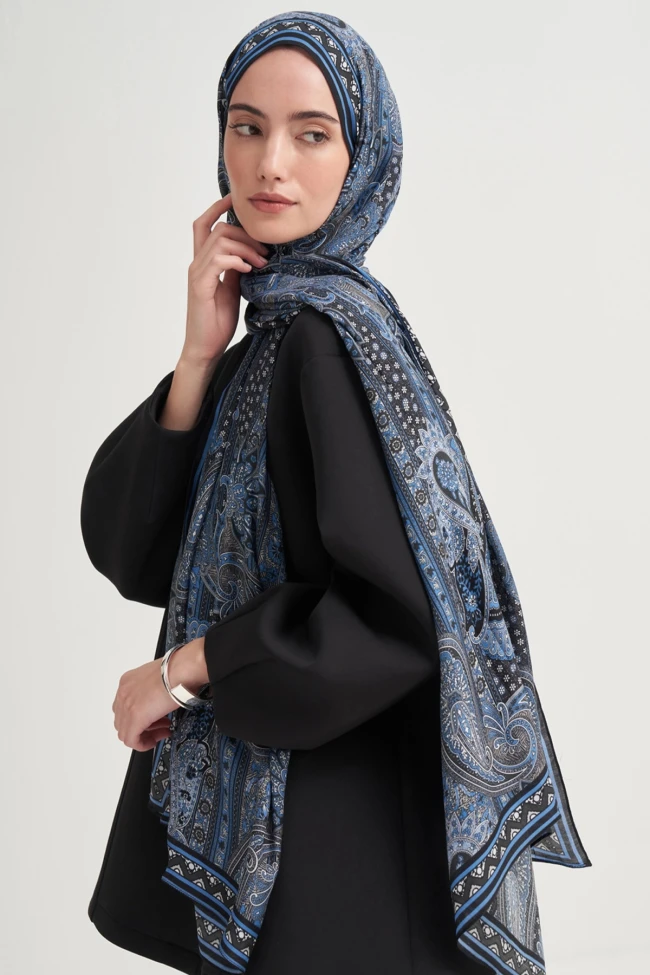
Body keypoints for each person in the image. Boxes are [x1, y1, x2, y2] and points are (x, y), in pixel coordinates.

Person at [81, 12, 591, 975]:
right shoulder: (275, 338)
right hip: (310, 828)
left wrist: (185, 669)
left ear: (364, 158)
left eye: (312, 134)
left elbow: (392, 617)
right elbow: (136, 552)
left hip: (332, 846)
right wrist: (197, 356)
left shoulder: (326, 341)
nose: (270, 162)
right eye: (246, 126)